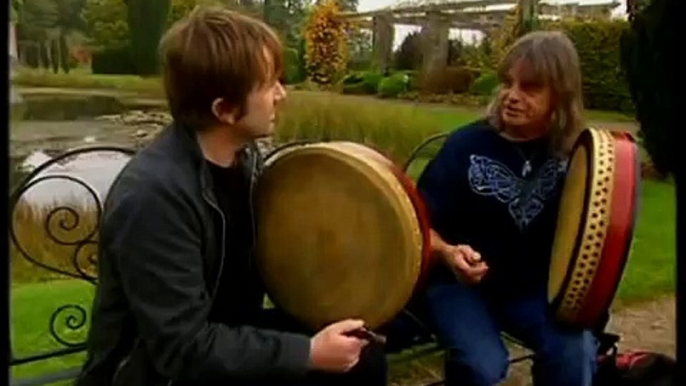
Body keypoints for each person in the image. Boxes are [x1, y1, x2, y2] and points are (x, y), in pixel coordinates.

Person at [75, 7, 386, 386]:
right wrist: (308, 353)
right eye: (269, 84)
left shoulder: (244, 159)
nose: (281, 95)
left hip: (224, 335)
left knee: (362, 354)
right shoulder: (153, 197)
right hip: (158, 372)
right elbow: (181, 348)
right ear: (224, 109)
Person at [415, 31, 597, 386]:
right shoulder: (464, 145)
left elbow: (601, 232)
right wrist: (449, 252)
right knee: (482, 365)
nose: (511, 97)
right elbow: (416, 225)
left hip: (532, 293)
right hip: (458, 288)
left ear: (560, 97)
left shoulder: (576, 157)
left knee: (574, 353)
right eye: (507, 83)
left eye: (529, 88)